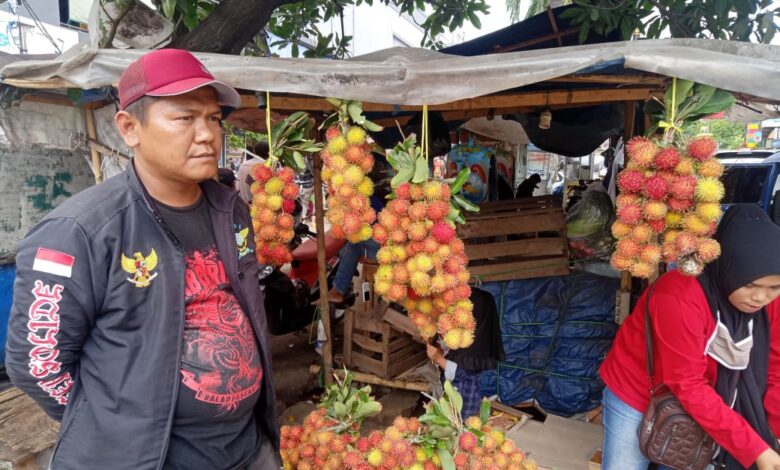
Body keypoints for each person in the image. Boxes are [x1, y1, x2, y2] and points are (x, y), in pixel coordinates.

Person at [5, 49, 280, 470]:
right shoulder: (81, 232)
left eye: (213, 118)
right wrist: (113, 420)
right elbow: (37, 363)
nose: (207, 134)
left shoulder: (231, 209)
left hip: (247, 449)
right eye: (185, 118)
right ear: (130, 128)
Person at [599, 204, 780, 470]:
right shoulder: (678, 295)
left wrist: (774, 431)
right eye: (750, 284)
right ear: (728, 268)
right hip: (639, 391)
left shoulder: (771, 303)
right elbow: (687, 382)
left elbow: (776, 368)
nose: (760, 297)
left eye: (774, 287)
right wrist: (754, 449)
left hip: (706, 400)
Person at [426, 287, 505, 418]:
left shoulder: (474, 342)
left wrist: (439, 358)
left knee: (459, 431)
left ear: (475, 313)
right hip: (457, 395)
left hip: (463, 402)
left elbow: (462, 373)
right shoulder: (472, 336)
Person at [327, 155, 391, 304]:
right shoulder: (379, 192)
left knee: (356, 249)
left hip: (377, 244)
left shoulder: (370, 196)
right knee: (353, 247)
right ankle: (339, 290)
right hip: (375, 241)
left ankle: (341, 290)